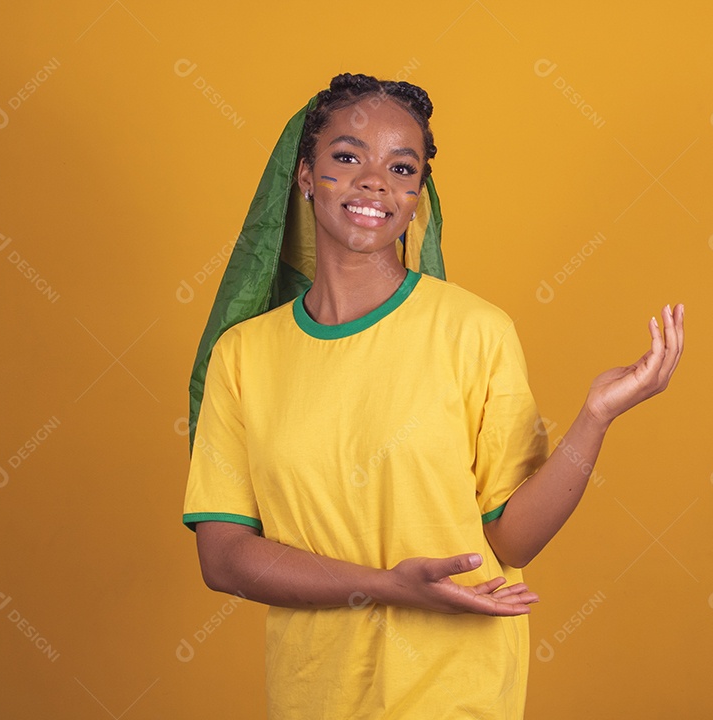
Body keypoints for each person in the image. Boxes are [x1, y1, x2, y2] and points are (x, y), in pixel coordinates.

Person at [182, 72, 684, 719]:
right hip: (314, 696)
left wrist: (596, 417)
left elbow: (513, 542)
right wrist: (387, 587)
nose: (375, 183)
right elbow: (224, 558)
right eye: (347, 158)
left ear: (417, 194)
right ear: (304, 174)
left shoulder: (476, 331)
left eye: (401, 168)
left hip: (457, 690)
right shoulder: (242, 356)